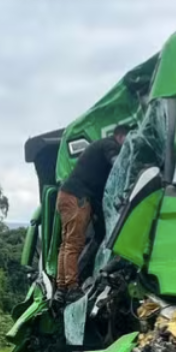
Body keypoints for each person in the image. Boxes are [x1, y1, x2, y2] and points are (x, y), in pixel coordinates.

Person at [54, 124, 130, 301]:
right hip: (77, 197)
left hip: (66, 195)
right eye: (127, 141)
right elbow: (117, 163)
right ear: (120, 136)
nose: (127, 146)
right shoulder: (110, 144)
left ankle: (62, 288)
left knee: (67, 244)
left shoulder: (98, 148)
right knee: (74, 244)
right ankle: (72, 288)